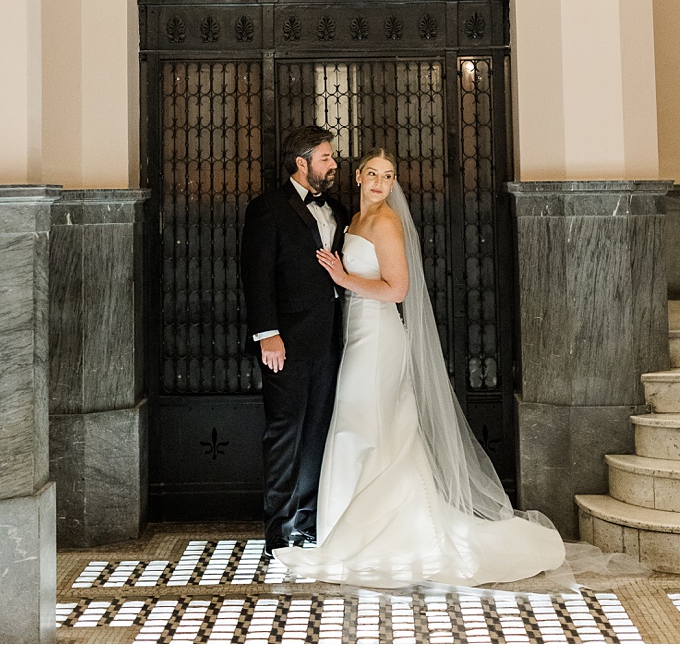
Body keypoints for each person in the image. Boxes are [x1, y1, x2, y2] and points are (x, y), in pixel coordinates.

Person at [274, 148, 567, 588]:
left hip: (378, 339)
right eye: (372, 174)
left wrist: (343, 279)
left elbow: (398, 289)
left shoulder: (388, 222)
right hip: (355, 336)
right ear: (358, 177)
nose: (379, 182)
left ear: (393, 183)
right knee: (360, 428)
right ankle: (352, 527)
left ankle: (384, 535)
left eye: (387, 176)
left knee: (369, 428)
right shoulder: (353, 220)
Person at [240, 125, 349, 555]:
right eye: (326, 158)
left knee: (318, 431)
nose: (334, 164)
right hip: (285, 343)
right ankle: (278, 531)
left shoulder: (338, 208)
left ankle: (307, 522)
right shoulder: (267, 208)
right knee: (285, 431)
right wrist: (269, 335)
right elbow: (256, 275)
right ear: (301, 163)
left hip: (330, 341)